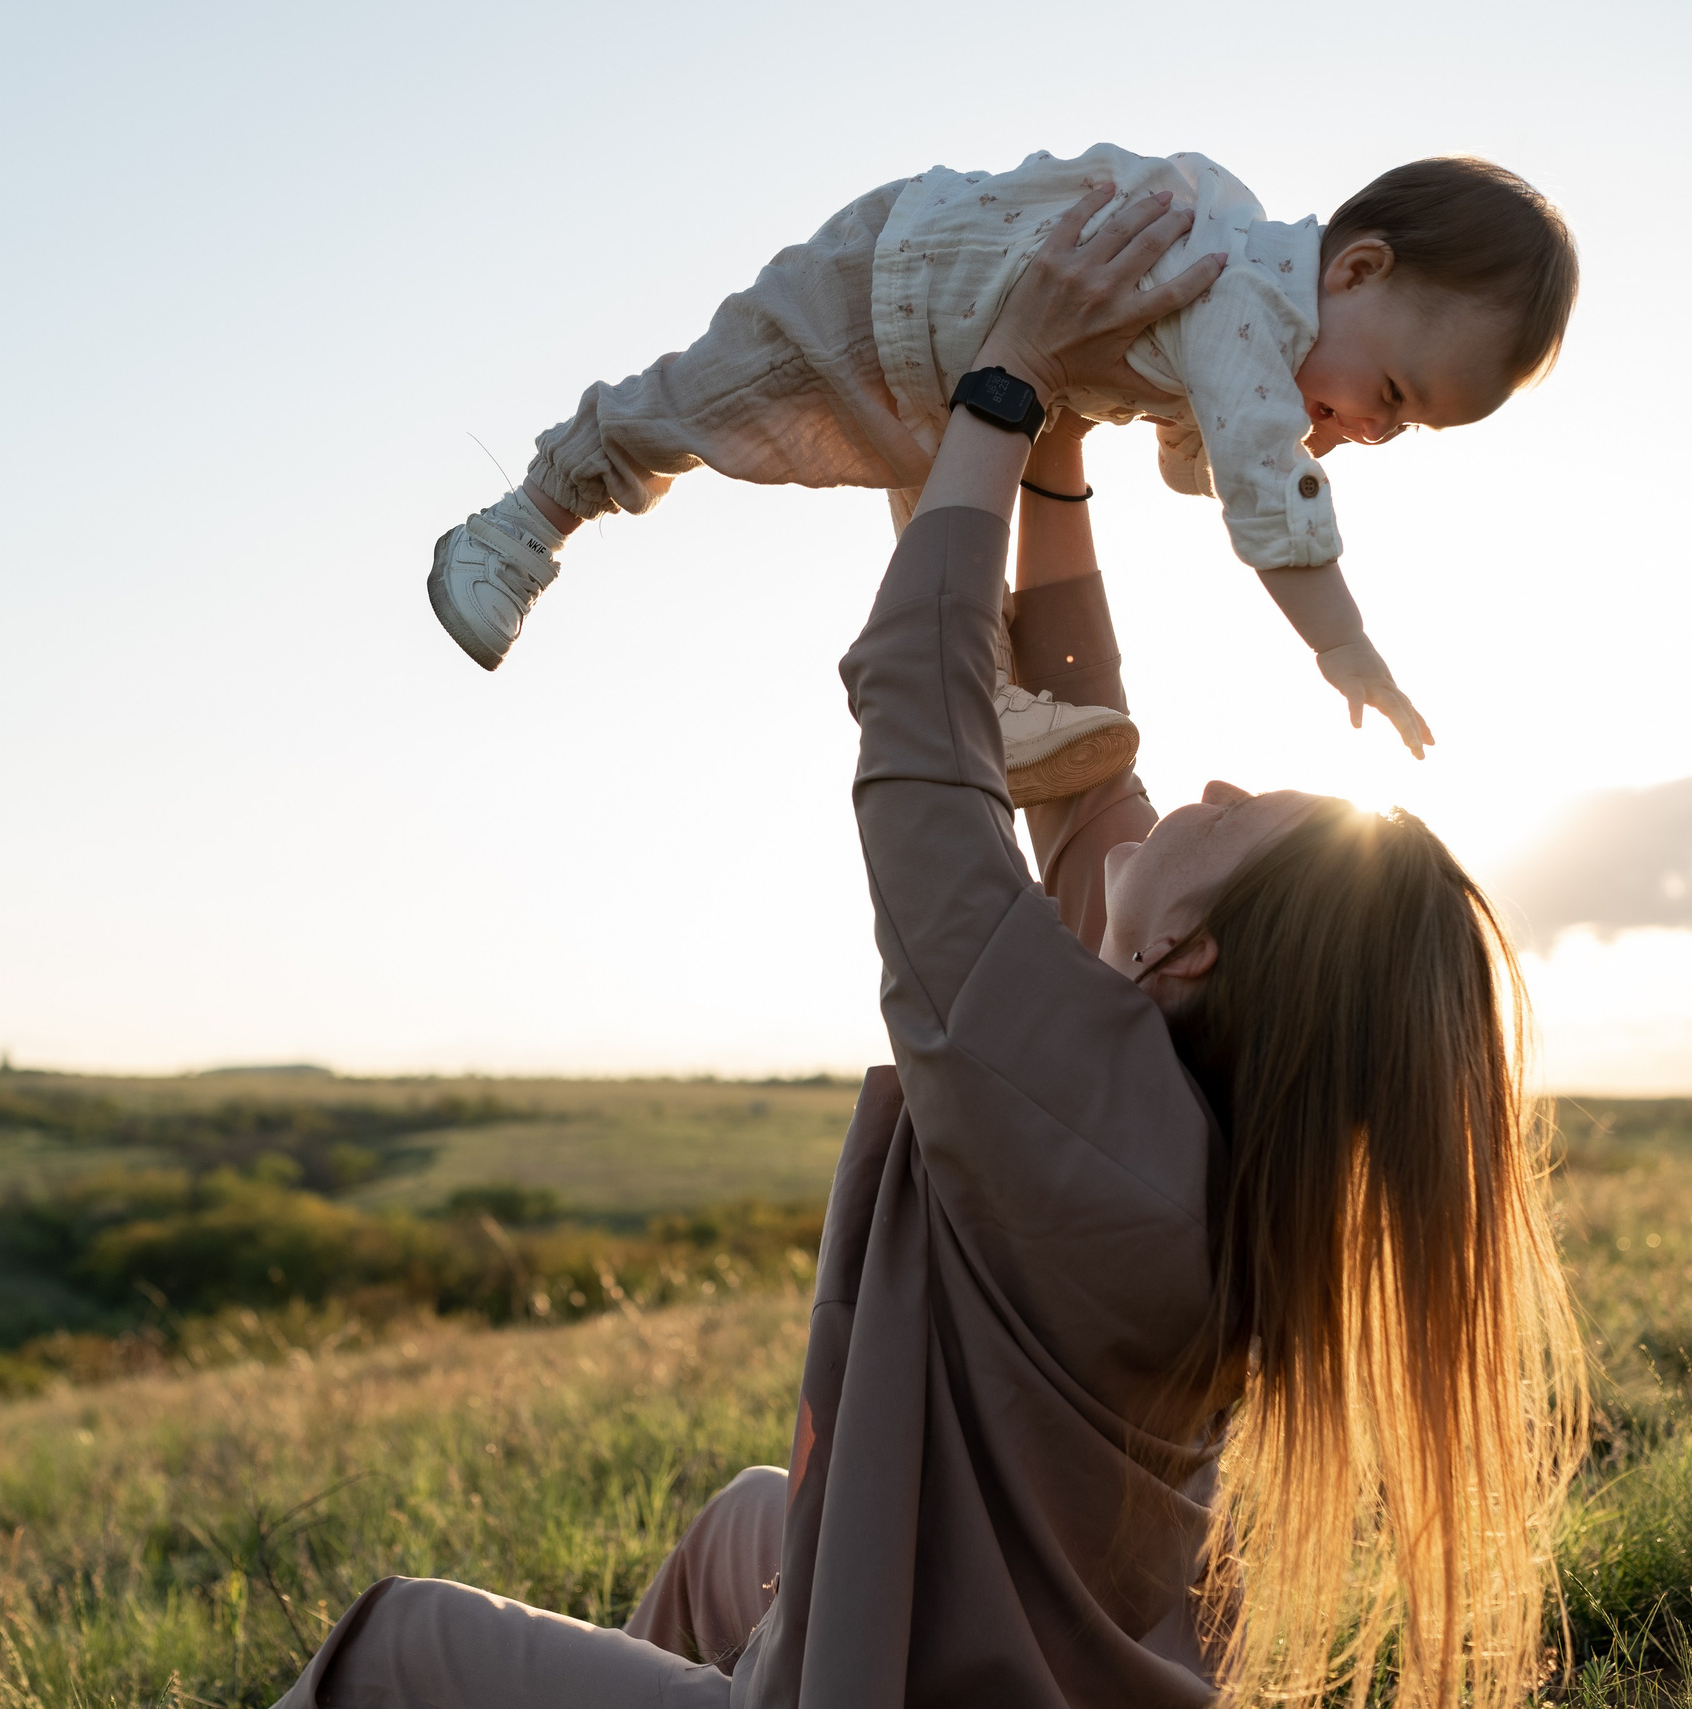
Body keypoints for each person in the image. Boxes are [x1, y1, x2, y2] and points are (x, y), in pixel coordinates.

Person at [279, 184, 1584, 1708]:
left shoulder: (1053, 1088)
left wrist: (1001, 389)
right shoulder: (1197, 1121)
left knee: (399, 1640)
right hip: (1029, 1658)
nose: (1208, 789)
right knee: (739, 1532)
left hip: (885, 1682)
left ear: (1203, 954)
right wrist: (1061, 462)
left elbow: (924, 729)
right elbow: (1086, 765)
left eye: (1242, 814)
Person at [425, 145, 1578, 798]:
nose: (1377, 432)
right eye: (1396, 394)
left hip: (973, 385)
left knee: (949, 541)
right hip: (882, 287)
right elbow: (1265, 508)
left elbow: (1201, 468)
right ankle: (528, 515)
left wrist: (1271, 430)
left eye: (1409, 430)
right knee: (695, 405)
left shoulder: (1259, 329)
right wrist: (1345, 644)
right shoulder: (1237, 294)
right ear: (1359, 269)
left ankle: (983, 695)